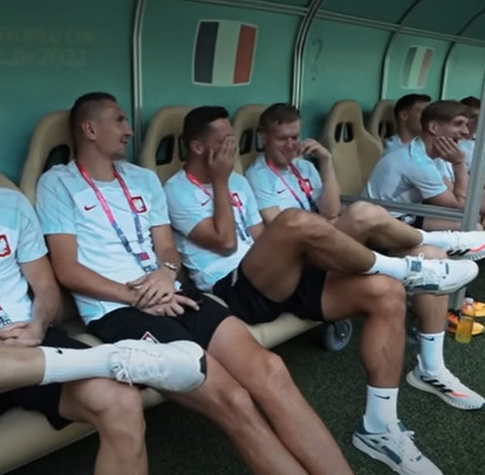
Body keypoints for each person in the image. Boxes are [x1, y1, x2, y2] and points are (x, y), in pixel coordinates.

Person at [0, 98, 208, 475]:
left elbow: (46, 289)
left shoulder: (8, 205)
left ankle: (97, 362)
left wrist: (37, 326)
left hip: (32, 342)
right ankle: (106, 359)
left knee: (123, 403)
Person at [37, 92, 354, 475]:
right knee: (234, 400)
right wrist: (135, 296)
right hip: (118, 310)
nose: (129, 130)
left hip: (174, 293)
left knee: (271, 370)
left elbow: (166, 248)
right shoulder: (58, 184)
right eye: (119, 120)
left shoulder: (143, 179)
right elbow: (67, 269)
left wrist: (166, 272)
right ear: (90, 129)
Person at [165, 105, 479, 475]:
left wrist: (294, 253)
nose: (232, 149)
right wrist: (221, 181)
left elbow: (259, 238)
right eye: (224, 142)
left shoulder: (237, 182)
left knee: (387, 293)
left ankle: (379, 427)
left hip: (271, 273)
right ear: (198, 147)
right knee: (296, 221)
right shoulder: (178, 189)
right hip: (230, 288)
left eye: (233, 140)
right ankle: (413, 264)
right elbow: (224, 242)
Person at [245, 101, 484, 409]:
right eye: (283, 139)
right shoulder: (258, 176)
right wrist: (330, 223)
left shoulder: (303, 167)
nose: (291, 145)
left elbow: (331, 209)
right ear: (263, 136)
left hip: (331, 240)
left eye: (295, 137)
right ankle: (434, 245)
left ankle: (431, 369)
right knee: (361, 213)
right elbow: (284, 229)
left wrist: (326, 163)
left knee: (434, 257)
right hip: (301, 255)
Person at [364, 100, 483, 230]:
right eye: (458, 124)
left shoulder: (428, 154)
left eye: (466, 125)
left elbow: (453, 192)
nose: (466, 131)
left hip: (408, 212)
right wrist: (459, 164)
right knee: (472, 227)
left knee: (474, 219)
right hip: (383, 219)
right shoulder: (417, 162)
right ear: (434, 127)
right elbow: (461, 207)